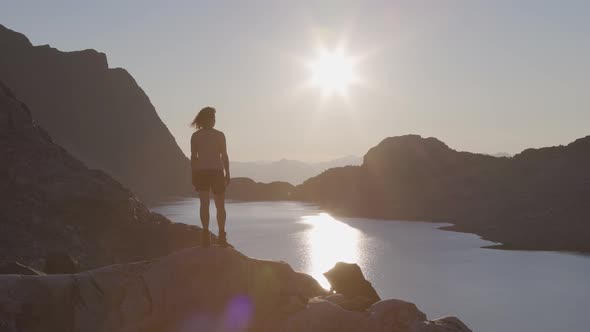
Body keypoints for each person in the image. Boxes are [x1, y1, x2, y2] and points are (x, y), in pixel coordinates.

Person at [190, 107, 230, 247]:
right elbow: (224, 156)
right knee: (220, 206)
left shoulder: (196, 136)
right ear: (207, 120)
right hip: (216, 172)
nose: (214, 121)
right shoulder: (220, 135)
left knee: (204, 204)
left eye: (214, 118)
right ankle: (221, 236)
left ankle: (206, 235)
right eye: (212, 118)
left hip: (202, 173)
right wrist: (228, 173)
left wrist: (193, 175)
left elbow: (194, 158)